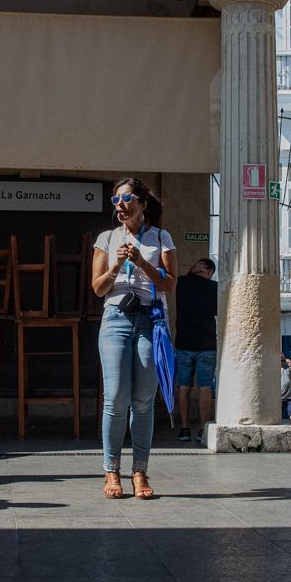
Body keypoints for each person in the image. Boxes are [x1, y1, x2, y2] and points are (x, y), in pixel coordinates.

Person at [91, 179, 176, 500]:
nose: (120, 204)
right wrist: (116, 267)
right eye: (116, 199)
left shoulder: (160, 237)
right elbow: (98, 288)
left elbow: (169, 285)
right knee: (115, 398)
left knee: (142, 401)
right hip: (115, 319)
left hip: (150, 319)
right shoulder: (107, 238)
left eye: (127, 198)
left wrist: (141, 261)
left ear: (141, 203)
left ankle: (139, 471)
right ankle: (111, 470)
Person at [174, 258, 218, 441]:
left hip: (184, 343)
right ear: (211, 273)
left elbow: (176, 281)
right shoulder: (214, 288)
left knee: (184, 386)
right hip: (206, 344)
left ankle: (184, 429)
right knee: (205, 387)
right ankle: (202, 429)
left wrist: (190, 271)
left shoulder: (182, 283)